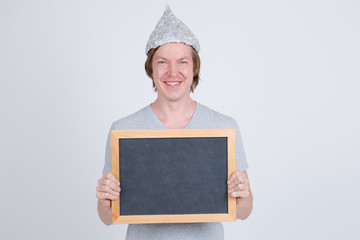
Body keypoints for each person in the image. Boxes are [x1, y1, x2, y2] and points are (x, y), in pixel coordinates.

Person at [96, 6, 253, 240]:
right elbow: (108, 217)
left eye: (182, 62)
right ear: (151, 68)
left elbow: (243, 211)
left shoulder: (223, 128)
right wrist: (104, 198)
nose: (172, 72)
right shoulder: (124, 131)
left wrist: (244, 193)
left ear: (193, 68)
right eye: (162, 62)